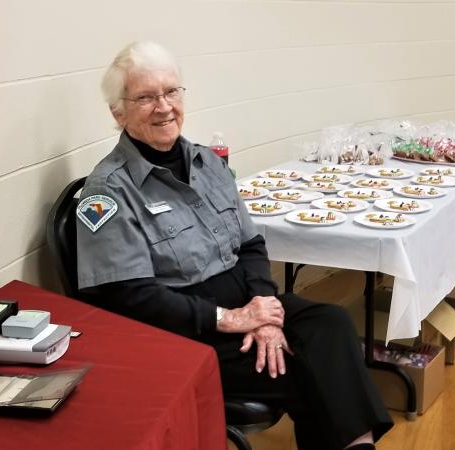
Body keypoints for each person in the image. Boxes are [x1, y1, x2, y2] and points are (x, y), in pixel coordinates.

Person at [75, 41, 393, 450]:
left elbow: (251, 246)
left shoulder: (208, 163)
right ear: (117, 112)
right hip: (183, 330)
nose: (164, 106)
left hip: (244, 301)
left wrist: (263, 312)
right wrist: (229, 318)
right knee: (313, 369)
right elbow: (130, 296)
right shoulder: (107, 191)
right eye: (145, 97)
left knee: (330, 323)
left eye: (171, 92)